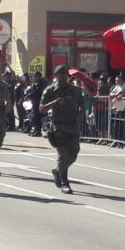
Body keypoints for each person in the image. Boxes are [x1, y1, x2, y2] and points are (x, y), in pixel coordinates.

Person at [39, 65, 84, 194]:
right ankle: (65, 182)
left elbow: (82, 103)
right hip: (58, 126)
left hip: (72, 126)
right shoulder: (49, 91)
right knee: (63, 155)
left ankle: (57, 171)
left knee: (73, 154)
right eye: (62, 74)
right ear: (56, 75)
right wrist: (54, 102)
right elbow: (41, 109)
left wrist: (82, 112)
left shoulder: (75, 90)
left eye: (66, 74)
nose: (65, 76)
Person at [24, 72, 47, 137]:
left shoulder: (40, 83)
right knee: (33, 116)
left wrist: (28, 96)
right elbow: (31, 90)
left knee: (37, 117)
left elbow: (36, 91)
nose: (33, 77)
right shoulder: (36, 83)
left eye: (35, 76)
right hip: (34, 102)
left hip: (38, 102)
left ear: (38, 76)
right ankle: (35, 130)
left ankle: (38, 131)